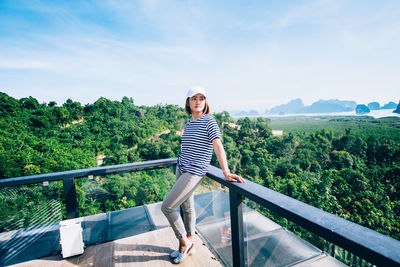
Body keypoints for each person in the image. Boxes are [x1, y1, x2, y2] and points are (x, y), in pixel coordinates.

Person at [161, 86, 245, 264]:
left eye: (202, 98)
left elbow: (218, 146)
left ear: (205, 102)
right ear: (188, 102)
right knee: (187, 208)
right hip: (181, 167)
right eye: (194, 98)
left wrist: (226, 172)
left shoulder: (210, 122)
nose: (198, 101)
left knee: (167, 207)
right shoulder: (189, 124)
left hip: (194, 172)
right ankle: (189, 240)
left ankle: (184, 242)